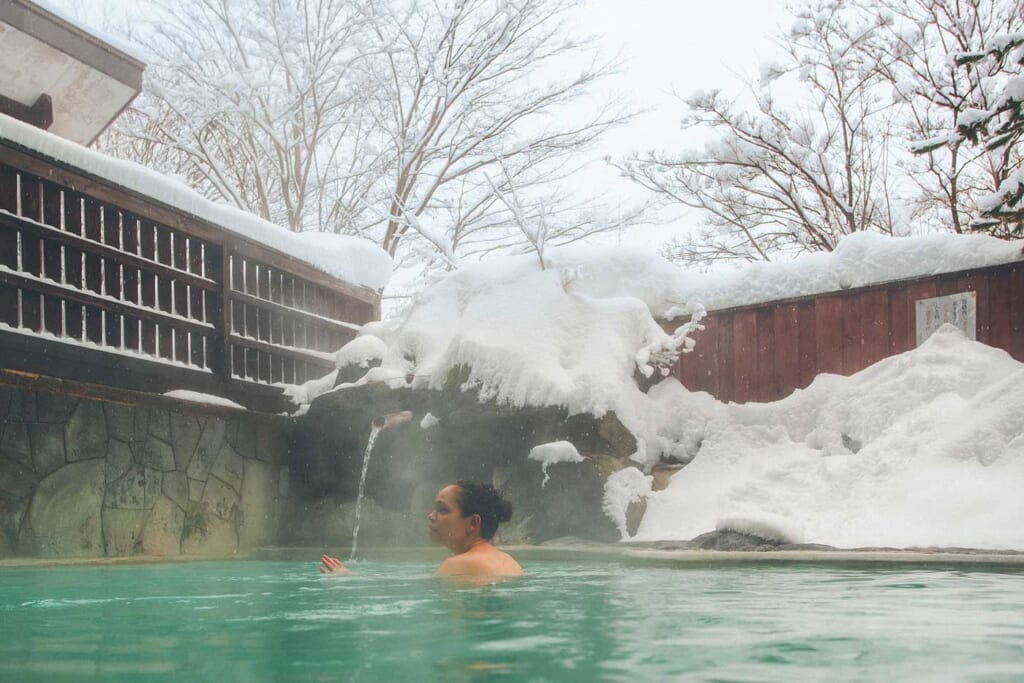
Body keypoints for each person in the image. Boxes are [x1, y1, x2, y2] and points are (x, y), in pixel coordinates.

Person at [320, 480, 523, 578]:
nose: (431, 515)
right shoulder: (509, 562)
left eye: (442, 510)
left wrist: (346, 578)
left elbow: (409, 592)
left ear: (472, 523)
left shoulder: (458, 565)